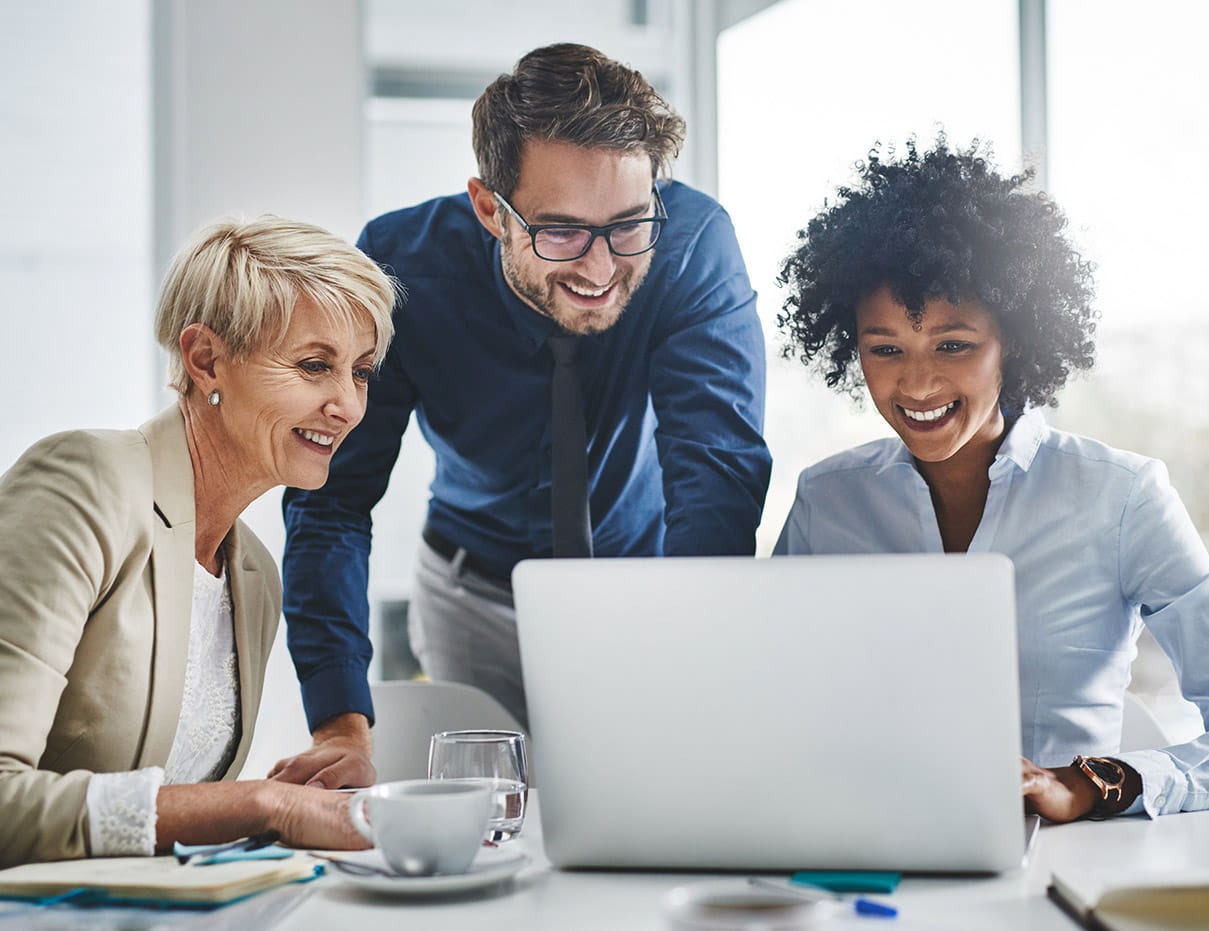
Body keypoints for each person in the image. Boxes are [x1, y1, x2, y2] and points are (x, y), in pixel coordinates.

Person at [771, 138, 1209, 821]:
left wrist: (1090, 783)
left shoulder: (1121, 497)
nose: (916, 383)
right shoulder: (826, 501)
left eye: (953, 344)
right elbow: (765, 706)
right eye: (885, 349)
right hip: (863, 843)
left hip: (1060, 862)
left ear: (1016, 341)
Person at [277, 42, 770, 767]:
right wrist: (339, 724)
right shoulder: (402, 267)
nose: (600, 267)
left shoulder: (692, 243)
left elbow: (715, 473)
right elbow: (332, 500)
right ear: (490, 209)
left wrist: (696, 660)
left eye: (628, 224)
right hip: (471, 595)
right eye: (561, 230)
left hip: (646, 587)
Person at [0, 216, 397, 866]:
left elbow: (171, 818)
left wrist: (292, 801)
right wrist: (261, 803)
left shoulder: (253, 575)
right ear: (205, 359)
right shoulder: (83, 484)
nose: (349, 406)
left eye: (360, 372)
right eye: (314, 365)